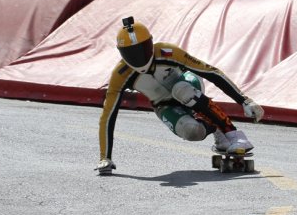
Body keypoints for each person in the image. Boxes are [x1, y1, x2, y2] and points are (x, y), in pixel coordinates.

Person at [95, 16, 264, 175]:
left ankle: (232, 133)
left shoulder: (168, 52)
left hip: (188, 84)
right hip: (164, 105)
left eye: (142, 49)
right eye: (131, 53)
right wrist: (105, 157)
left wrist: (244, 100)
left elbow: (210, 72)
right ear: (121, 53)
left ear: (151, 43)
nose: (138, 57)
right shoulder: (120, 75)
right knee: (192, 131)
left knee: (181, 90)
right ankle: (214, 127)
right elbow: (108, 116)